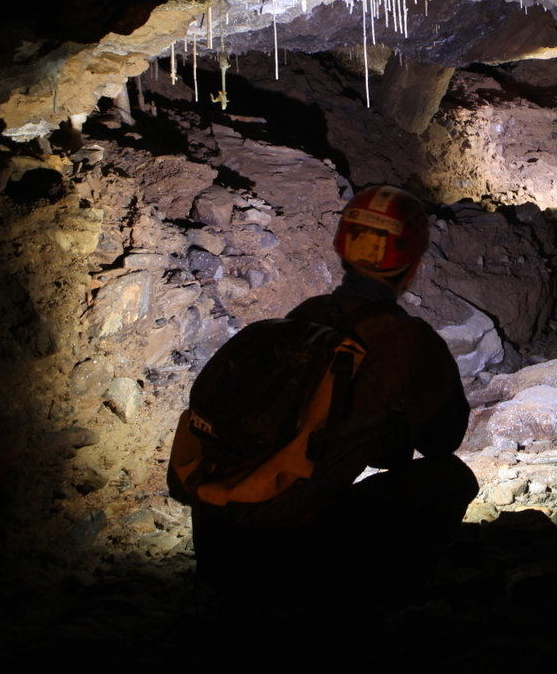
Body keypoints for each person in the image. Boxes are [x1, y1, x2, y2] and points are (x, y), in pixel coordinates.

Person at [181, 185, 477, 599]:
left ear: (342, 252)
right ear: (413, 265)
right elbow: (442, 441)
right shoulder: (408, 340)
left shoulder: (304, 317)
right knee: (449, 480)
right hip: (289, 565)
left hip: (218, 549)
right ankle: (358, 611)